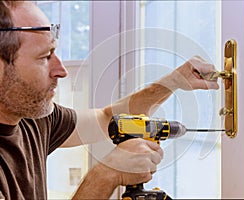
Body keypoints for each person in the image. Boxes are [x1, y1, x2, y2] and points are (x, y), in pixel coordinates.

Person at [0, 1, 219, 199]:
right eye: (45, 57)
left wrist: (172, 82)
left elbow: (108, 119)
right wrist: (105, 175)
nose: (61, 70)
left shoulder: (32, 118)